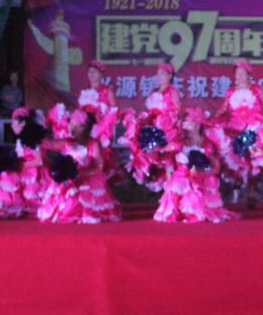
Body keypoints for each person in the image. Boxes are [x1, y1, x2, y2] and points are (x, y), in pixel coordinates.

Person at [210, 60, 263, 205]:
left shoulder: (256, 89)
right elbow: (224, 108)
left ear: (248, 75)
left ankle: (251, 192)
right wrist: (214, 118)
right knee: (235, 156)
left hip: (253, 126)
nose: (240, 76)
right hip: (235, 127)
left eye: (242, 73)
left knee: (254, 159)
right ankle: (238, 179)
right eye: (237, 74)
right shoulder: (231, 91)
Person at [37, 109, 122, 224]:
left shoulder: (94, 144)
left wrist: (79, 174)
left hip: (88, 182)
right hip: (70, 182)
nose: (72, 129)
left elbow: (99, 168)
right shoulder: (66, 142)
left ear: (85, 128)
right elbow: (47, 144)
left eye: (76, 126)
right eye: (71, 125)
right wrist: (37, 132)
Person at [154, 109, 238, 223]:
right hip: (180, 180)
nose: (185, 123)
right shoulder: (177, 143)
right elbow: (163, 160)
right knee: (178, 183)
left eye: (188, 120)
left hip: (201, 179)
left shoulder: (208, 144)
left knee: (204, 188)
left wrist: (201, 174)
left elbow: (216, 168)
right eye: (184, 121)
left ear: (198, 124)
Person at [121, 62, 181, 192]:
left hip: (165, 128)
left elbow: (177, 111)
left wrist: (165, 120)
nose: (159, 76)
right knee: (145, 151)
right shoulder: (154, 91)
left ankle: (170, 190)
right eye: (158, 74)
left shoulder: (172, 91)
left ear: (170, 76)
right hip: (152, 127)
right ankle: (153, 180)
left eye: (163, 74)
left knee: (167, 159)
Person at [0, 107, 46, 217]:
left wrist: (22, 165)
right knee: (6, 176)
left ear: (22, 123)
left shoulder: (31, 140)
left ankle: (29, 207)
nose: (11, 126)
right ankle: (13, 206)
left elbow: (39, 161)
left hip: (33, 172)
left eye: (14, 123)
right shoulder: (20, 140)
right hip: (23, 169)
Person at [77, 60, 120, 178]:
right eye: (90, 71)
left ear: (101, 74)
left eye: (95, 72)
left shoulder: (106, 91)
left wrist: (102, 121)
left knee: (101, 157)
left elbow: (114, 112)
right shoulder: (84, 92)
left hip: (101, 130)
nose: (91, 74)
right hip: (86, 130)